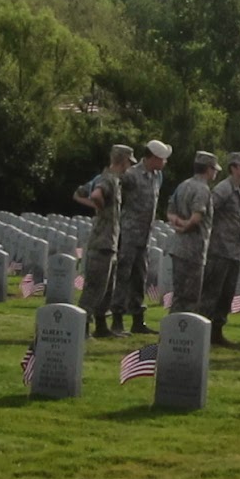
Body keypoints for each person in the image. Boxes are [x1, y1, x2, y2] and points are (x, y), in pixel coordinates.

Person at [76, 144, 134, 338]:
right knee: (95, 288)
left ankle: (101, 327)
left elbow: (79, 194)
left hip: (109, 242)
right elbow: (95, 195)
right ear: (123, 161)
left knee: (106, 289)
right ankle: (81, 328)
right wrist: (99, 206)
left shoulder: (113, 180)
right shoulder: (108, 179)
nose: (129, 167)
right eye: (129, 162)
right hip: (102, 242)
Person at [112, 140, 168, 336]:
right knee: (123, 275)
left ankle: (138, 320)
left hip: (145, 235)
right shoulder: (131, 175)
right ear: (153, 157)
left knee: (140, 277)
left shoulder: (157, 176)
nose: (165, 162)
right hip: (129, 232)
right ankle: (117, 319)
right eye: (162, 159)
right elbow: (115, 194)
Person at [200, 152, 240, 348]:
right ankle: (202, 332)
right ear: (233, 168)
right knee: (212, 293)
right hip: (219, 249)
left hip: (234, 250)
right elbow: (209, 211)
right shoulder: (224, 189)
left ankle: (217, 331)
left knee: (227, 294)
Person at [166, 151, 218, 315]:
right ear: (208, 169)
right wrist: (185, 226)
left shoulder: (183, 185)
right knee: (190, 299)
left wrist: (177, 223)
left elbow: (170, 212)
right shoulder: (203, 189)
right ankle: (182, 329)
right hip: (194, 250)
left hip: (178, 247)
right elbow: (196, 218)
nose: (215, 172)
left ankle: (171, 328)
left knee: (178, 294)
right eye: (214, 169)